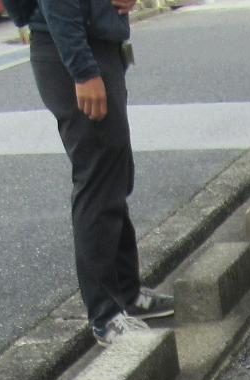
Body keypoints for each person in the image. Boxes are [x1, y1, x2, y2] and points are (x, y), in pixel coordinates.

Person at [26, 0, 173, 346]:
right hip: (74, 50)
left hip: (95, 46)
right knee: (97, 178)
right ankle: (105, 315)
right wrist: (83, 70)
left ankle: (127, 294)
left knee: (114, 174)